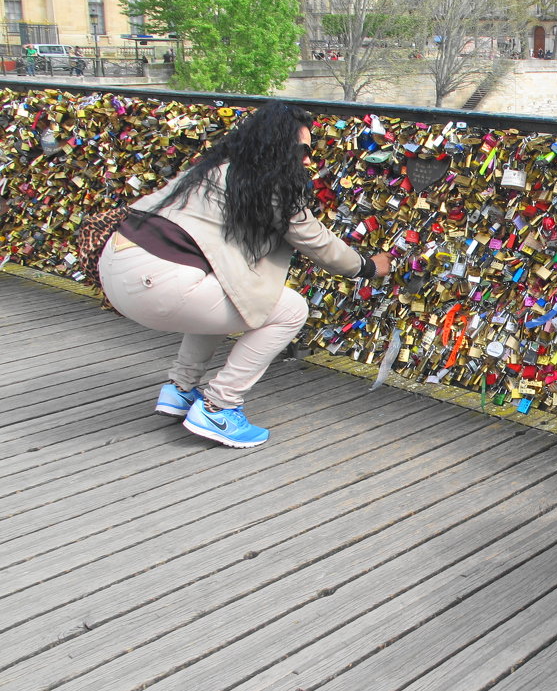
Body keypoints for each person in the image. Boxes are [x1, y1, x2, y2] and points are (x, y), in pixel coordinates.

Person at [97, 101, 392, 448]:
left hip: (119, 267)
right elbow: (316, 241)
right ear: (277, 150)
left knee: (229, 293)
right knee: (290, 310)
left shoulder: (214, 168)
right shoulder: (269, 184)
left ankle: (180, 389)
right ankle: (219, 406)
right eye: (302, 151)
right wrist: (369, 266)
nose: (309, 161)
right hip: (159, 284)